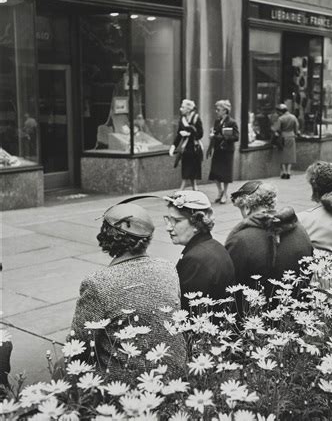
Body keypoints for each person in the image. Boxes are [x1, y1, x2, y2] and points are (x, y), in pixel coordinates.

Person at [70, 202, 186, 381]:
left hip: (128, 386)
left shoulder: (97, 283)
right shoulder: (168, 268)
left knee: (60, 369)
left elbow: (78, 346)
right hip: (174, 377)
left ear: (107, 236)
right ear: (147, 237)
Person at [226, 181, 312, 297]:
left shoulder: (241, 240)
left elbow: (230, 283)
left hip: (255, 308)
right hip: (296, 304)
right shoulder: (299, 229)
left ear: (246, 208)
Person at [163, 190, 235, 309]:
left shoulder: (196, 259)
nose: (168, 227)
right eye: (168, 219)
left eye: (176, 221)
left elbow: (188, 308)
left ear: (196, 223)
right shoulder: (213, 246)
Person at [207, 100, 239, 203]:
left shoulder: (232, 122)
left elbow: (236, 137)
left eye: (218, 109)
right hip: (218, 150)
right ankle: (220, 191)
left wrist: (224, 136)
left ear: (225, 110)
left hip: (227, 150)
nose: (216, 111)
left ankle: (225, 193)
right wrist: (213, 135)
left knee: (225, 173)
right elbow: (215, 132)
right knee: (215, 172)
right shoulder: (217, 121)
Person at [169, 99, 203, 191]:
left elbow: (200, 134)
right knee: (186, 167)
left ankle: (183, 188)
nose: (181, 109)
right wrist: (173, 146)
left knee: (192, 167)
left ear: (188, 109)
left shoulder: (196, 118)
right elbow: (179, 134)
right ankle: (194, 187)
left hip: (194, 147)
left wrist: (189, 134)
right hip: (185, 147)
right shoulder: (182, 119)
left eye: (183, 107)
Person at [274, 103, 299, 179]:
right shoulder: (293, 117)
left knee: (282, 155)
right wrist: (295, 133)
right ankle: (289, 172)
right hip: (291, 136)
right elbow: (296, 127)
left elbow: (277, 129)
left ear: (281, 111)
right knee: (291, 155)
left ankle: (284, 172)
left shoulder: (281, 118)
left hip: (283, 137)